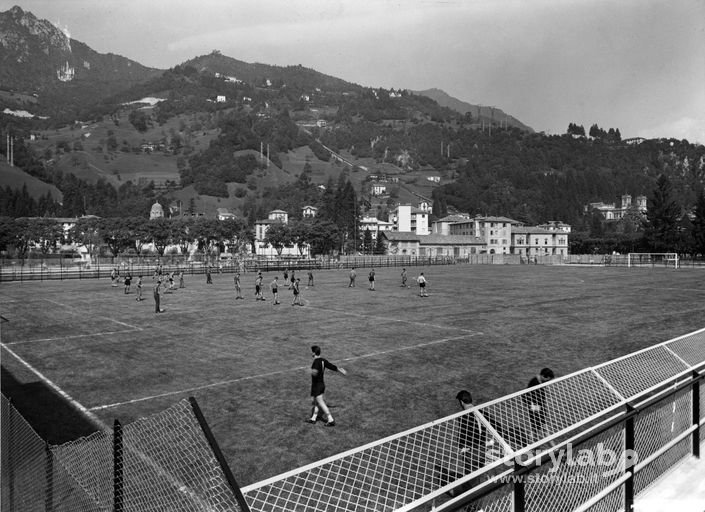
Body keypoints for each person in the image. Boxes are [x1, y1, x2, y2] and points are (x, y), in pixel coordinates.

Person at [437, 390, 488, 498]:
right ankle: (477, 492)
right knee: (478, 472)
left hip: (472, 450)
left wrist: (463, 447)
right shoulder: (481, 411)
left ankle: (469, 499)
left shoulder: (464, 416)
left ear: (461, 402)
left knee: (470, 475)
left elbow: (464, 433)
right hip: (483, 447)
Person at [307, 345, 347, 426]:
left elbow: (315, 372)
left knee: (320, 403)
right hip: (321, 385)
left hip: (317, 386)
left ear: (314, 353)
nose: (311, 353)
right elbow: (331, 366)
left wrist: (309, 370)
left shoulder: (316, 362)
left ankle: (330, 420)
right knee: (316, 402)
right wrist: (339, 370)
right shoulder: (322, 360)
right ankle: (313, 418)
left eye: (312, 351)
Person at [523, 367, 555, 444]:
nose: (548, 381)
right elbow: (525, 395)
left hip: (539, 407)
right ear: (544, 376)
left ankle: (532, 445)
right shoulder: (534, 382)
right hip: (535, 408)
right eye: (548, 379)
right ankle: (553, 447)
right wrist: (533, 407)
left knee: (537, 428)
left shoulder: (539, 382)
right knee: (540, 428)